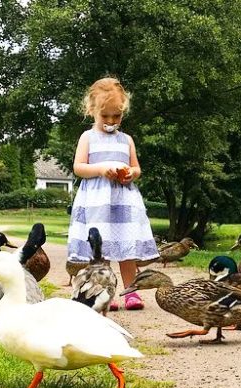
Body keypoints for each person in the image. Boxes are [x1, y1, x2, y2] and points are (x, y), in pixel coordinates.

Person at [67, 77, 159, 310]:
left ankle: (131, 292)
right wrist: (100, 170)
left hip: (123, 200)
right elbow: (78, 167)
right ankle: (105, 294)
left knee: (126, 248)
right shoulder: (88, 137)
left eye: (116, 116)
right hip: (98, 202)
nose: (111, 121)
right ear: (92, 111)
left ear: (123, 112)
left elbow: (137, 168)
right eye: (105, 116)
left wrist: (131, 173)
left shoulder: (126, 140)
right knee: (102, 249)